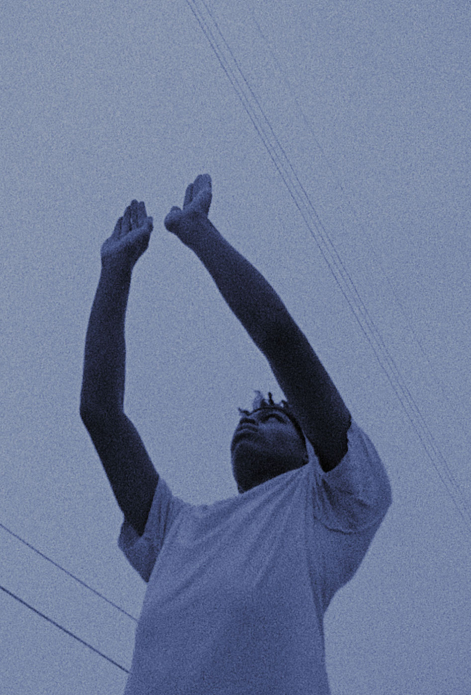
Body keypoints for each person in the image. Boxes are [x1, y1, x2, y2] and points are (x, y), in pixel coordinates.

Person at [80, 174, 392, 694]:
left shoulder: (334, 505)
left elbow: (280, 339)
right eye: (247, 416)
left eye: (272, 417)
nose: (249, 420)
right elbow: (100, 413)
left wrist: (198, 231)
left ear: (309, 450)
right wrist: (115, 271)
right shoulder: (174, 531)